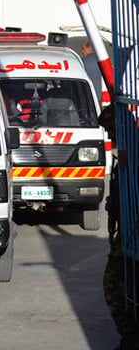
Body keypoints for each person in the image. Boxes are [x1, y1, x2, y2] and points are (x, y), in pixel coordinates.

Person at [100, 104, 139, 350]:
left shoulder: (133, 151)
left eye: (111, 129)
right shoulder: (124, 153)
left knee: (114, 284)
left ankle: (132, 335)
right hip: (126, 231)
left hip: (134, 232)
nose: (109, 136)